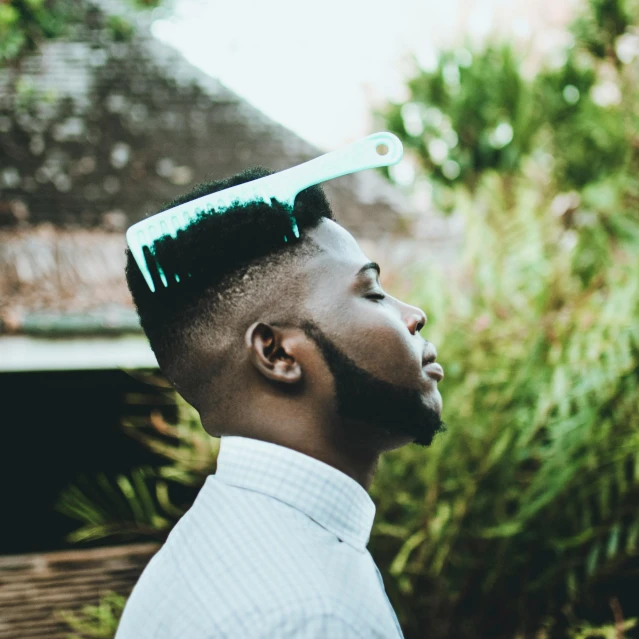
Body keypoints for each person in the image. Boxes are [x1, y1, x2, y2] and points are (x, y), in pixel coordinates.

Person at [115, 166, 447, 638]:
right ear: (277, 353)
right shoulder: (315, 619)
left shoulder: (205, 548)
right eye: (371, 293)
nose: (413, 315)